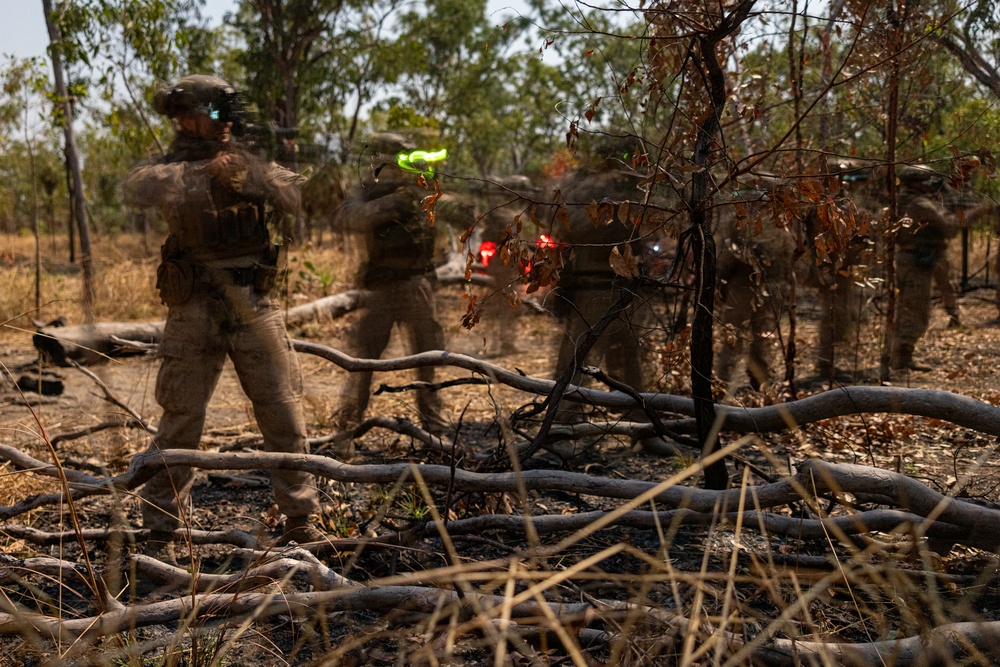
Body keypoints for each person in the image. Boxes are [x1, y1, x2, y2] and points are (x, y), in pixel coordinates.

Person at [122, 74, 322, 561]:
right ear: (185, 117)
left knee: (280, 408)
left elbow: (299, 198)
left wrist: (258, 173)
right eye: (213, 113)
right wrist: (200, 175)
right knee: (181, 418)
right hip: (193, 308)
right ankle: (161, 532)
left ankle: (301, 520)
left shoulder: (248, 160)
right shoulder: (167, 166)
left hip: (254, 305)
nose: (224, 123)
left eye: (225, 113)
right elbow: (135, 188)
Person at [331, 133, 450, 440]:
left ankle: (434, 429)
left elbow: (447, 215)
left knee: (427, 360)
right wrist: (393, 203)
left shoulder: (418, 190)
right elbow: (348, 218)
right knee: (364, 362)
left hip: (418, 283)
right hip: (383, 289)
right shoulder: (371, 193)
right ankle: (346, 429)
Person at [884, 165, 992, 376]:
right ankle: (901, 360)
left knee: (913, 307)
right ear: (915, 182)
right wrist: (979, 211)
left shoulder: (906, 201)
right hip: (917, 260)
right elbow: (950, 226)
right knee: (914, 309)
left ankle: (903, 356)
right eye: (926, 181)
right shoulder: (920, 204)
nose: (931, 186)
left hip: (919, 257)